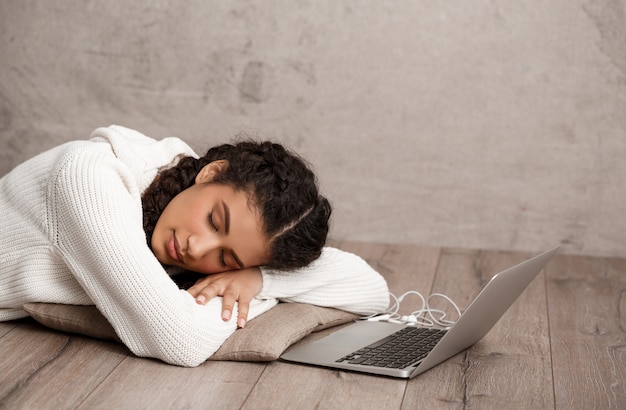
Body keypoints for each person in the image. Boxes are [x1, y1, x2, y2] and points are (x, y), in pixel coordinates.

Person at [0, 125, 389, 367]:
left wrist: (256, 279)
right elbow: (180, 338)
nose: (196, 249)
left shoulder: (178, 194)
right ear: (212, 172)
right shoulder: (89, 178)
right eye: (214, 220)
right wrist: (254, 298)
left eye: (225, 258)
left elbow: (371, 289)